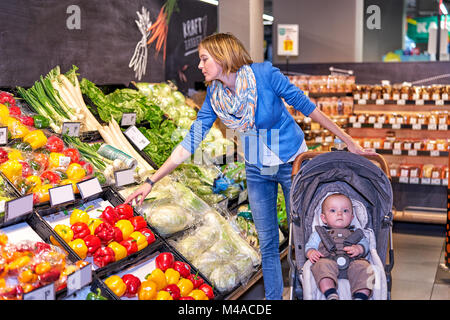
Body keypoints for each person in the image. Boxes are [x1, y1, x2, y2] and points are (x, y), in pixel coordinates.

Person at [125, 32, 375, 300]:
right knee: (267, 241)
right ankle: (273, 298)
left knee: (302, 235)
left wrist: (348, 141)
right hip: (258, 167)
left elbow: (307, 106)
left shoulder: (265, 75)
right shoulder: (215, 97)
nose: (200, 65)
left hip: (290, 160)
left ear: (222, 57)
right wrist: (152, 180)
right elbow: (190, 141)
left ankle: (306, 293)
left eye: (204, 58)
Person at [305, 193, 375, 300]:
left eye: (345, 211)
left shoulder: (356, 232)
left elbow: (365, 244)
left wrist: (359, 248)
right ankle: (331, 293)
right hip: (328, 262)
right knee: (320, 266)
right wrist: (311, 252)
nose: (339, 214)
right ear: (323, 218)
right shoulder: (319, 233)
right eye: (333, 210)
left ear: (352, 217)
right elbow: (310, 246)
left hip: (353, 263)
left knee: (365, 267)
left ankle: (361, 296)